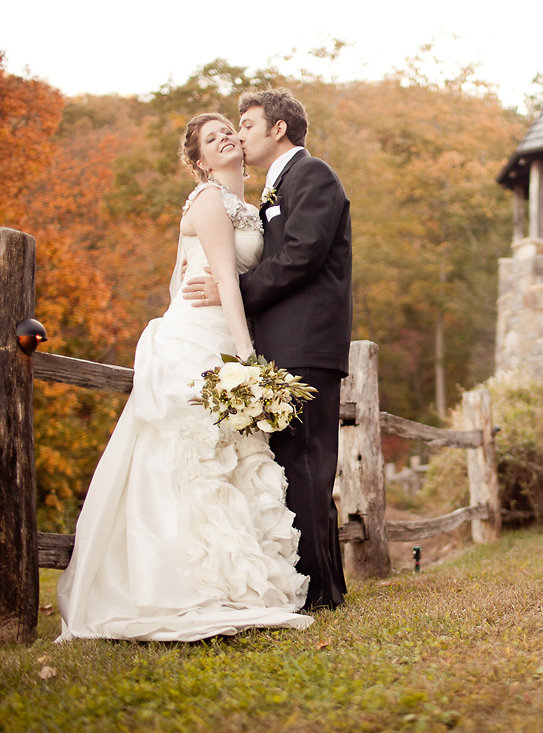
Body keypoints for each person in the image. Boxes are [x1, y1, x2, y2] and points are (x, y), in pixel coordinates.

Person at [55, 113, 312, 642]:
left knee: (230, 456)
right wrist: (248, 359)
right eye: (211, 138)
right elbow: (223, 278)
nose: (225, 138)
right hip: (199, 338)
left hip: (225, 334)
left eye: (229, 131)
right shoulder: (210, 200)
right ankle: (177, 585)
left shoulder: (252, 205)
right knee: (191, 456)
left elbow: (255, 275)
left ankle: (231, 582)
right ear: (199, 162)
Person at [183, 89, 351, 611]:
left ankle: (319, 592)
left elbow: (302, 254)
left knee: (307, 461)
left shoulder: (314, 176)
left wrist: (235, 288)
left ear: (277, 129)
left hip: (307, 342)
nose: (241, 133)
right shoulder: (269, 194)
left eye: (248, 124)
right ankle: (323, 586)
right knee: (297, 463)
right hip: (284, 342)